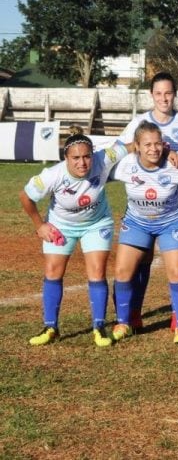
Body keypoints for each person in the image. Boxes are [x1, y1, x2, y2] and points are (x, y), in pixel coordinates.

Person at [21, 130, 130, 347]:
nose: (82, 162)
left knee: (97, 271)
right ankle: (50, 327)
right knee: (53, 271)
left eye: (87, 156)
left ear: (93, 154)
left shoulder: (104, 158)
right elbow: (25, 196)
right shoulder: (52, 175)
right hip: (61, 225)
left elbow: (134, 145)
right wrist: (40, 225)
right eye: (76, 158)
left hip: (97, 224)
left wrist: (165, 151)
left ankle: (99, 327)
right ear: (66, 158)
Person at [118, 72, 178, 329]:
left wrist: (177, 153)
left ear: (175, 94)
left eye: (168, 93)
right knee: (142, 259)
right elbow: (124, 149)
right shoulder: (138, 122)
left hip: (176, 198)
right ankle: (134, 312)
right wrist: (164, 149)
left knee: (177, 266)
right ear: (151, 95)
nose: (164, 98)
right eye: (159, 93)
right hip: (144, 197)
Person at [110, 122, 178, 343]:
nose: (153, 149)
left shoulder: (175, 165)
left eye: (158, 144)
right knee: (122, 272)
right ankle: (124, 322)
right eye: (147, 144)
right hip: (137, 222)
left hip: (172, 222)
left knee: (176, 271)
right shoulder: (125, 165)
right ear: (136, 146)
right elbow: (97, 172)